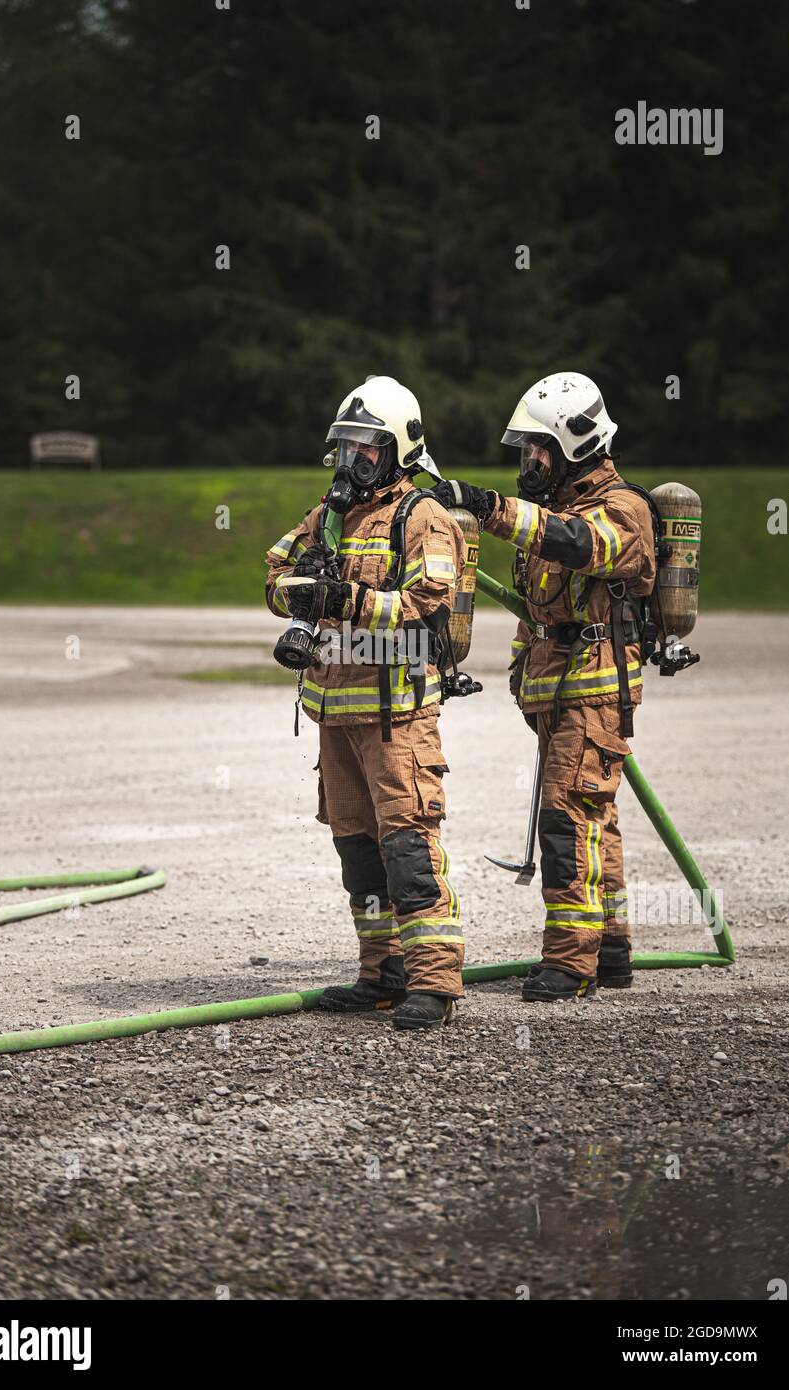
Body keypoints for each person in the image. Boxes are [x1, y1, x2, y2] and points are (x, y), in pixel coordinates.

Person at [434, 372, 656, 1001]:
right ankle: (609, 951)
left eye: (540, 449)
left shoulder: (623, 509)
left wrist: (492, 510)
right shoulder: (552, 513)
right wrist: (519, 672)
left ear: (576, 444)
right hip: (556, 691)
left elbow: (584, 547)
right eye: (526, 449)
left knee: (567, 821)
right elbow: (537, 613)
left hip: (594, 690)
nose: (528, 461)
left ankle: (569, 963)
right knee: (594, 821)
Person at [265, 375, 466, 1029]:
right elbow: (273, 576)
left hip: (395, 717)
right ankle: (380, 974)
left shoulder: (421, 517)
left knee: (406, 849)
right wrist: (298, 594)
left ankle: (434, 982)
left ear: (398, 449)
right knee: (358, 854)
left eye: (366, 448)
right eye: (345, 447)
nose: (352, 461)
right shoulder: (325, 517)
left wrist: (340, 600)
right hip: (335, 718)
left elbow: (420, 604)